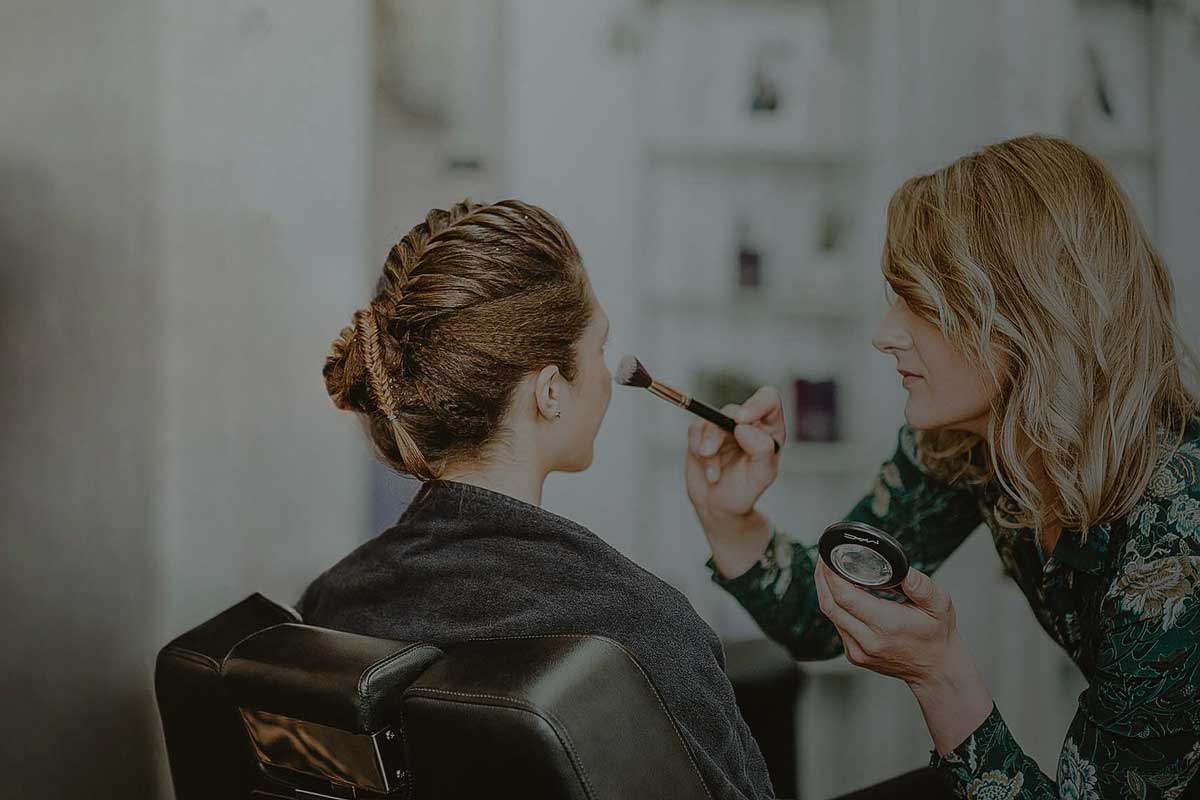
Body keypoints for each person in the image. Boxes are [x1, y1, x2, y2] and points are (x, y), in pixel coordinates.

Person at [686, 135, 1200, 798]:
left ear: (1029, 317)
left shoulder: (1179, 530)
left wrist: (941, 675)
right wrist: (732, 519)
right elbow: (827, 616)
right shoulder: (973, 445)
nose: (884, 334)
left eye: (919, 302)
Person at [297, 199, 775, 800]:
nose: (605, 378)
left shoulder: (329, 607)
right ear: (550, 392)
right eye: (599, 349)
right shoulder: (642, 633)